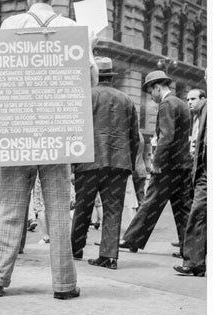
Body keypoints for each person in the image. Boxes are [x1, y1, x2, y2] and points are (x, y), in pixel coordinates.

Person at [0, 0, 98, 299]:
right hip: (57, 128)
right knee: (59, 210)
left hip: (18, 126)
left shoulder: (10, 24)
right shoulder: (73, 28)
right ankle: (64, 284)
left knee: (8, 205)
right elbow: (89, 80)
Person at [71, 56, 140, 269]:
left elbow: (76, 131)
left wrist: (73, 164)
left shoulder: (86, 96)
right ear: (111, 76)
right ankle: (109, 256)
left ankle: (76, 249)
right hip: (119, 163)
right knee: (113, 209)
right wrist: (130, 160)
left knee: (83, 207)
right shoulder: (126, 99)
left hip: (89, 162)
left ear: (95, 75)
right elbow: (134, 136)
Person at [120, 70, 192, 257]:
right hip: (182, 165)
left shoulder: (166, 104)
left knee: (150, 202)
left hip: (168, 166)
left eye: (151, 92)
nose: (151, 97)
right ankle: (189, 249)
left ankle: (131, 240)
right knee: (182, 207)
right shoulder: (181, 104)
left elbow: (166, 137)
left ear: (157, 87)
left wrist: (157, 163)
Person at [174, 94, 206, 276]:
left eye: (193, 99)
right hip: (201, 172)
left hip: (205, 172)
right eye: (188, 99)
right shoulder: (199, 115)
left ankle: (194, 262)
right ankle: (196, 262)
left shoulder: (206, 111)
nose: (189, 102)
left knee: (197, 213)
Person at [132, 131, 147, 209]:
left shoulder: (134, 135)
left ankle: (143, 218)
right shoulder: (140, 134)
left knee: (138, 200)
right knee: (140, 198)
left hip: (136, 171)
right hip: (141, 169)